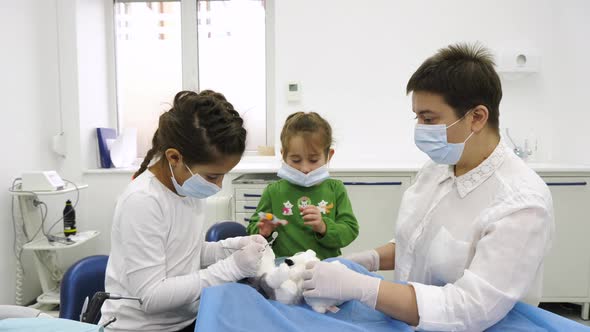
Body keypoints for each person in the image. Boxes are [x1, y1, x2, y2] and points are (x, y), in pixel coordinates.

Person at [302, 43, 554, 331]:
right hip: (410, 321)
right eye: (417, 117)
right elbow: (416, 244)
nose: (420, 128)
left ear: (477, 117)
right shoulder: (437, 168)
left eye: (429, 119)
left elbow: (469, 309)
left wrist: (363, 287)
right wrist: (363, 261)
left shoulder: (520, 203)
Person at [100, 90, 267, 332]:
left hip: (186, 320)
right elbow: (151, 296)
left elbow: (187, 254)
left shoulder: (187, 188)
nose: (218, 186)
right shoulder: (143, 202)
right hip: (139, 327)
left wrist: (230, 248)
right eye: (213, 176)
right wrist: (232, 267)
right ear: (175, 157)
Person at [247, 112, 359, 260]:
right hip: (285, 268)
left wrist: (324, 227)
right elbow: (252, 229)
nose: (304, 168)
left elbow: (350, 230)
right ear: (284, 155)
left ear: (329, 155)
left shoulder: (335, 189)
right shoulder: (274, 191)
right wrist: (262, 232)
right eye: (295, 160)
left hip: (325, 267)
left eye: (313, 160)